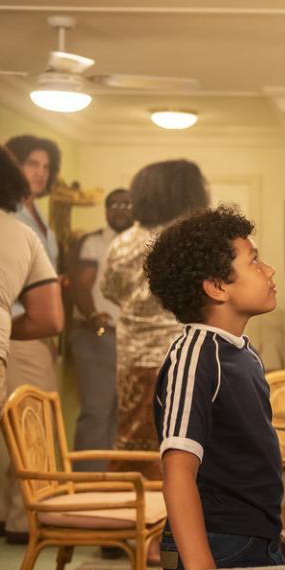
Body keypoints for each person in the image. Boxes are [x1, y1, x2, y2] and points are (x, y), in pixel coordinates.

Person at [146, 206, 285, 570]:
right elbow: (178, 471)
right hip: (215, 543)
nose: (269, 269)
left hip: (252, 539)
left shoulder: (242, 352)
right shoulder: (194, 356)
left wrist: (276, 534)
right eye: (254, 261)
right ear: (217, 287)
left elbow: (249, 464)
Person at [101, 159, 209, 482]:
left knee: (133, 441)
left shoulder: (121, 243)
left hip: (133, 357)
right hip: (183, 355)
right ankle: (179, 520)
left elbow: (110, 290)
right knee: (185, 442)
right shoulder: (191, 240)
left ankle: (130, 516)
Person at [0, 137, 63, 510]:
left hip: (12, 334)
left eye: (45, 167)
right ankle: (18, 515)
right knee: (29, 429)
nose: (38, 173)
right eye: (31, 163)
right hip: (6, 336)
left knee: (24, 428)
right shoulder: (15, 224)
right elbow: (50, 315)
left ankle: (11, 513)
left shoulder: (33, 220)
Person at [69, 188, 133, 471]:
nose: (120, 208)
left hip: (134, 342)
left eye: (126, 204)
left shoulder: (146, 242)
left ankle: (116, 490)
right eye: (114, 204)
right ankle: (86, 490)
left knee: (125, 416)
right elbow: (81, 284)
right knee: (97, 413)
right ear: (106, 210)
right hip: (100, 337)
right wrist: (92, 313)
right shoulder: (94, 242)